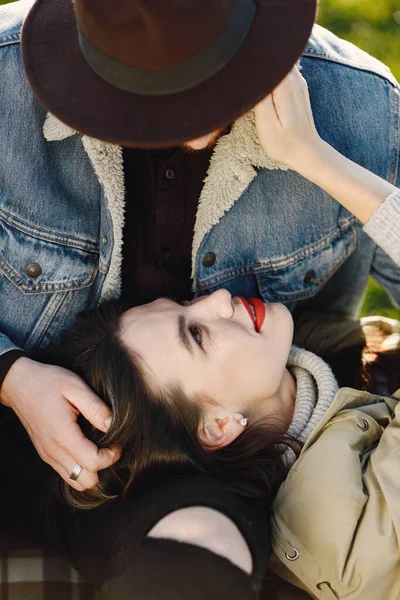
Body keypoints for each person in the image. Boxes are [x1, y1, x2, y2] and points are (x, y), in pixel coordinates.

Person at [0, 0, 400, 595]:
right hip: (42, 420)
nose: (216, 299)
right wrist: (9, 375)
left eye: (207, 87)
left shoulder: (363, 107)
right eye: (152, 95)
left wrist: (316, 160)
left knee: (202, 529)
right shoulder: (6, 82)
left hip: (243, 450)